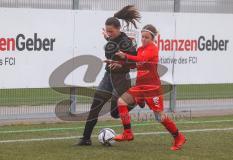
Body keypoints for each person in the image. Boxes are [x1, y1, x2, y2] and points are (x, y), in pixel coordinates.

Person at [112, 24, 186, 151]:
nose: (144, 39)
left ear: (152, 38)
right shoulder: (140, 49)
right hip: (140, 86)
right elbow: (136, 64)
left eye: (146, 37)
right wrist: (121, 64)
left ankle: (179, 137)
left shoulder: (153, 49)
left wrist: (126, 56)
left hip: (152, 88)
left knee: (159, 117)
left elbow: (141, 59)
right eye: (142, 37)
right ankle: (128, 133)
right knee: (121, 102)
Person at [77, 5, 141, 146]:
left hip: (121, 79)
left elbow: (134, 62)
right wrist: (108, 39)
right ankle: (86, 138)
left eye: (111, 31)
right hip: (108, 76)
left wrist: (121, 64)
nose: (109, 33)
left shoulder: (127, 42)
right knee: (96, 105)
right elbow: (113, 46)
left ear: (118, 30)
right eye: (107, 31)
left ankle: (136, 100)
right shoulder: (113, 39)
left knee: (114, 113)